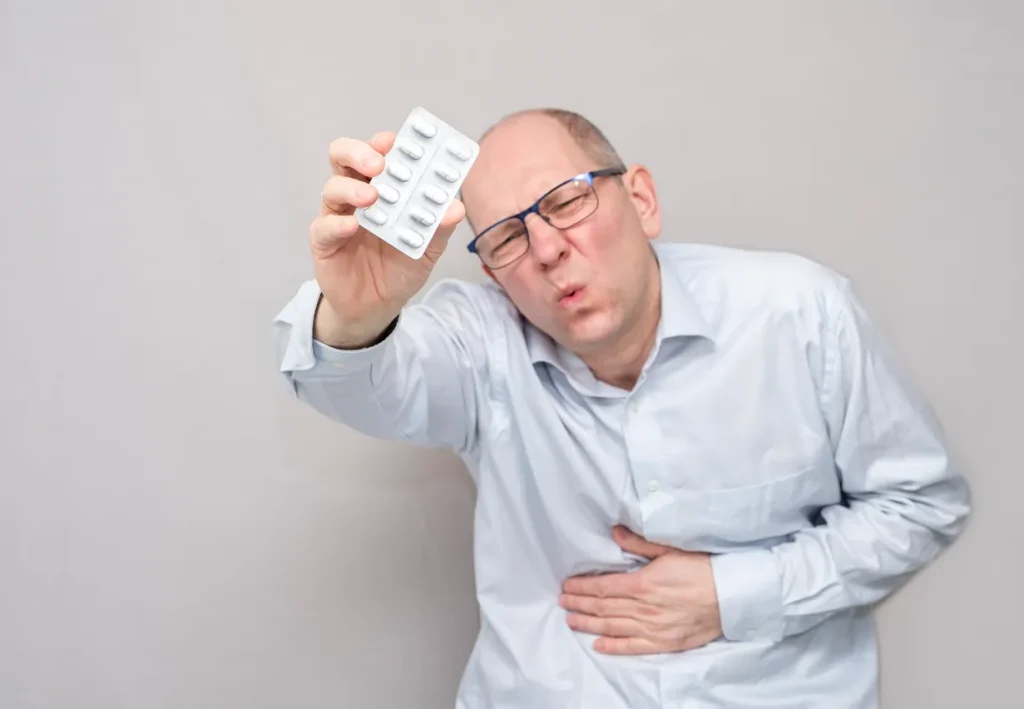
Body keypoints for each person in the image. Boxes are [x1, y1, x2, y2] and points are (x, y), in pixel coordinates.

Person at [272, 107, 971, 708]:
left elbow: (921, 502)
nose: (546, 249)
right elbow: (362, 383)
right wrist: (358, 312)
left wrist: (736, 593)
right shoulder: (480, 340)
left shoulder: (801, 313)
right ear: (491, 273)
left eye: (567, 200)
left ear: (641, 199)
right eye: (509, 237)